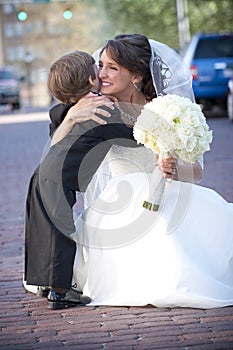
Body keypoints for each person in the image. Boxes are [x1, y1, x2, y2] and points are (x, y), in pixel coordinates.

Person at [69, 34, 233, 309]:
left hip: (170, 194)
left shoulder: (169, 110)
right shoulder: (96, 109)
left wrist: (173, 169)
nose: (101, 74)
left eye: (112, 68)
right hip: (118, 203)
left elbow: (196, 173)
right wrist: (73, 116)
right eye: (101, 65)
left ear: (135, 76)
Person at [24, 50, 139, 309]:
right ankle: (61, 292)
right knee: (61, 233)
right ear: (90, 81)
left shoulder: (67, 109)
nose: (101, 72)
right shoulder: (100, 109)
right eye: (96, 67)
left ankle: (45, 283)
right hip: (58, 179)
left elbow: (58, 120)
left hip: (43, 175)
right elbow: (134, 137)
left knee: (43, 233)